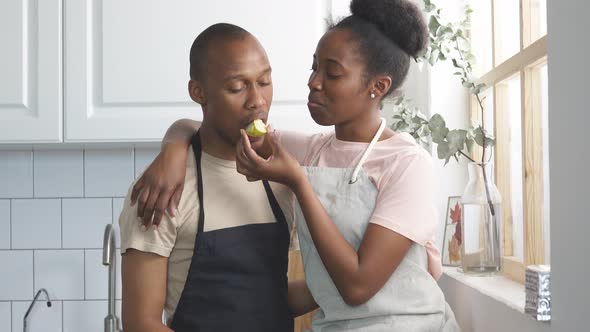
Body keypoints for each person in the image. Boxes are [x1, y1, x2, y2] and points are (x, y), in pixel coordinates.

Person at [131, 0, 459, 330]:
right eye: (313, 68)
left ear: (378, 87)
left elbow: (356, 286)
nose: (313, 82)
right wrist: (173, 149)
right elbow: (215, 128)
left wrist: (299, 182)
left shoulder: (406, 164)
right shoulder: (309, 152)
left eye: (332, 73)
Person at [118, 23, 311, 332]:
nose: (257, 101)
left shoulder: (279, 179)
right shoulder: (162, 190)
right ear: (199, 92)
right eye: (237, 87)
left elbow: (268, 298)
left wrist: (334, 287)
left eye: (264, 82)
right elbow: (141, 323)